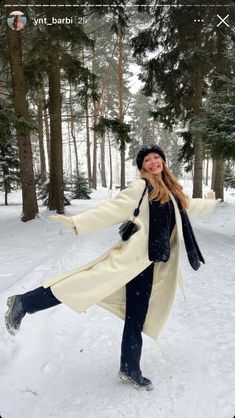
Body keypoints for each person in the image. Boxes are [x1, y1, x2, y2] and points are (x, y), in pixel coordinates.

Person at [5, 144, 220, 391]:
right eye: (147, 160)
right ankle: (23, 303)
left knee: (136, 318)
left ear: (163, 161)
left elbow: (189, 206)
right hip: (128, 261)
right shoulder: (140, 187)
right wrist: (77, 221)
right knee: (79, 284)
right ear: (142, 167)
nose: (153, 162)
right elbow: (111, 210)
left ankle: (130, 367)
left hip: (149, 265)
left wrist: (211, 204)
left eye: (156, 158)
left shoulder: (171, 191)